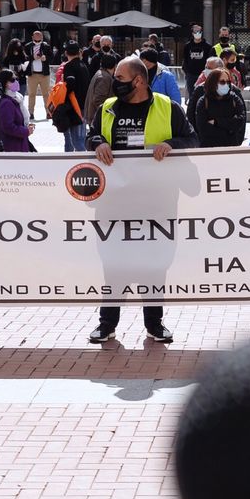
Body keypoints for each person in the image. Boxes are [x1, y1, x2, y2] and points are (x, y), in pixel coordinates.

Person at [86, 57, 199, 344]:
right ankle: (106, 324)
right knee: (113, 266)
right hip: (114, 203)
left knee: (155, 265)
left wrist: (171, 144)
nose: (116, 82)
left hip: (157, 202)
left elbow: (192, 139)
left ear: (138, 80)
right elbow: (91, 136)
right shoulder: (107, 108)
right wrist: (97, 142)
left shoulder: (167, 107)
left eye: (121, 78)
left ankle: (155, 324)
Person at [195, 67, 247, 148]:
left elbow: (240, 121)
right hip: (209, 148)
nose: (226, 84)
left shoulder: (234, 99)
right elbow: (202, 127)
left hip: (231, 147)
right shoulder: (203, 102)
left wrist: (217, 122)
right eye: (222, 82)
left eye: (228, 82)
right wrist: (229, 129)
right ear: (213, 83)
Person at [55, 41, 91, 152]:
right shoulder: (83, 65)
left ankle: (84, 161)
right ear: (79, 52)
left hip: (74, 106)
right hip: (84, 104)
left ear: (66, 53)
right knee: (81, 137)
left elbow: (70, 84)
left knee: (77, 140)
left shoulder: (69, 66)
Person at [0, 69, 34, 153]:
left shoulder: (16, 99)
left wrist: (26, 125)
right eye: (12, 80)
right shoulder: (6, 102)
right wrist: (26, 131)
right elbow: (7, 127)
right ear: (5, 83)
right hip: (12, 147)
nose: (16, 82)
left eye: (16, 79)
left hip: (19, 145)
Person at [23, 30, 54, 120]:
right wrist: (32, 57)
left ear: (42, 37)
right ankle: (31, 112)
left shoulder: (46, 46)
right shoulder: (28, 46)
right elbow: (24, 58)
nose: (37, 38)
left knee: (46, 94)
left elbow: (52, 58)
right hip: (32, 74)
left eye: (39, 36)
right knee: (31, 94)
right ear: (32, 37)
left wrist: (46, 58)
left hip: (44, 74)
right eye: (36, 36)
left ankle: (49, 112)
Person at [84, 52, 118, 129]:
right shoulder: (104, 77)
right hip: (99, 119)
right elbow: (98, 99)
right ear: (115, 65)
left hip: (96, 117)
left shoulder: (101, 74)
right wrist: (109, 113)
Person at [183, 24, 210, 96]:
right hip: (191, 75)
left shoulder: (207, 46)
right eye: (196, 31)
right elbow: (185, 59)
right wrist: (187, 72)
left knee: (204, 94)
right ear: (192, 33)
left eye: (199, 31)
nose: (197, 33)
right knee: (192, 95)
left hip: (203, 74)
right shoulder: (187, 46)